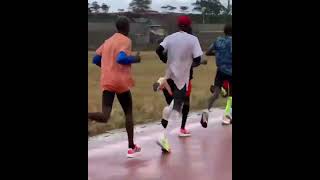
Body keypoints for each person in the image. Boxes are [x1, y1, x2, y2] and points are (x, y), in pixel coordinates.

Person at [88, 16, 142, 158]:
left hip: (107, 81)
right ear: (126, 28)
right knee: (128, 113)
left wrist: (107, 67)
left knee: (105, 115)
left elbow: (95, 59)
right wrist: (135, 59)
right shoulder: (126, 41)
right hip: (121, 82)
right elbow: (121, 58)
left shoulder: (108, 41)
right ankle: (131, 147)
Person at [154, 16, 203, 152]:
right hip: (182, 79)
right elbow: (198, 59)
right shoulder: (193, 40)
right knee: (177, 107)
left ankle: (165, 112)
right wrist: (189, 65)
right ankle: (163, 136)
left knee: (174, 104)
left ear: (178, 26)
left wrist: (165, 60)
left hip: (169, 75)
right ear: (188, 26)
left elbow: (158, 50)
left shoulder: (170, 38)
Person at [201, 24, 232, 126]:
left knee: (215, 94)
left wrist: (219, 53)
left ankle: (205, 112)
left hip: (220, 71)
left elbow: (208, 52)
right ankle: (226, 116)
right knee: (231, 96)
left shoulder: (218, 40)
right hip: (230, 70)